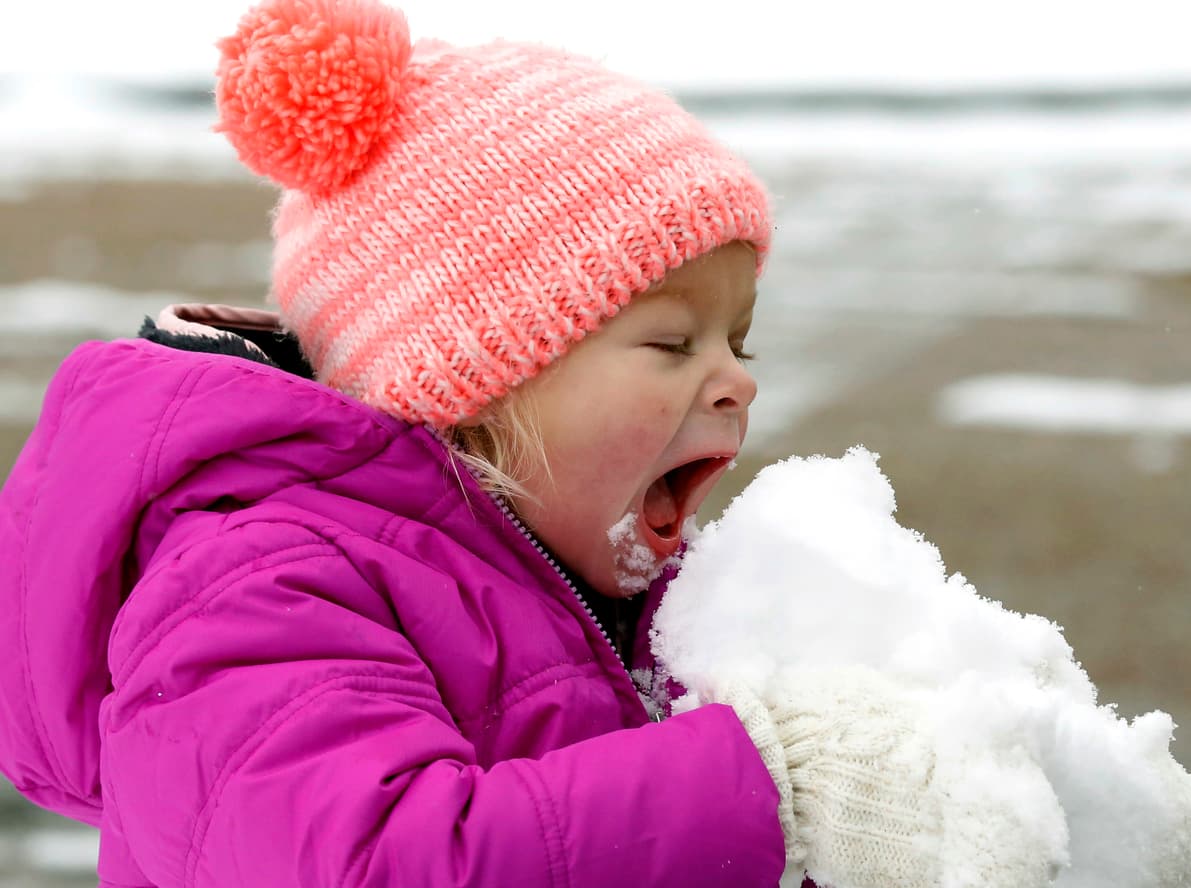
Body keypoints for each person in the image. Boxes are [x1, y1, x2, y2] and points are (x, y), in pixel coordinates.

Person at [0, 1, 1063, 886]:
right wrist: (767, 785)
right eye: (669, 339)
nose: (735, 377)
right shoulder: (260, 582)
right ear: (474, 380)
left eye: (735, 338)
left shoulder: (593, 572)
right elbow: (373, 863)